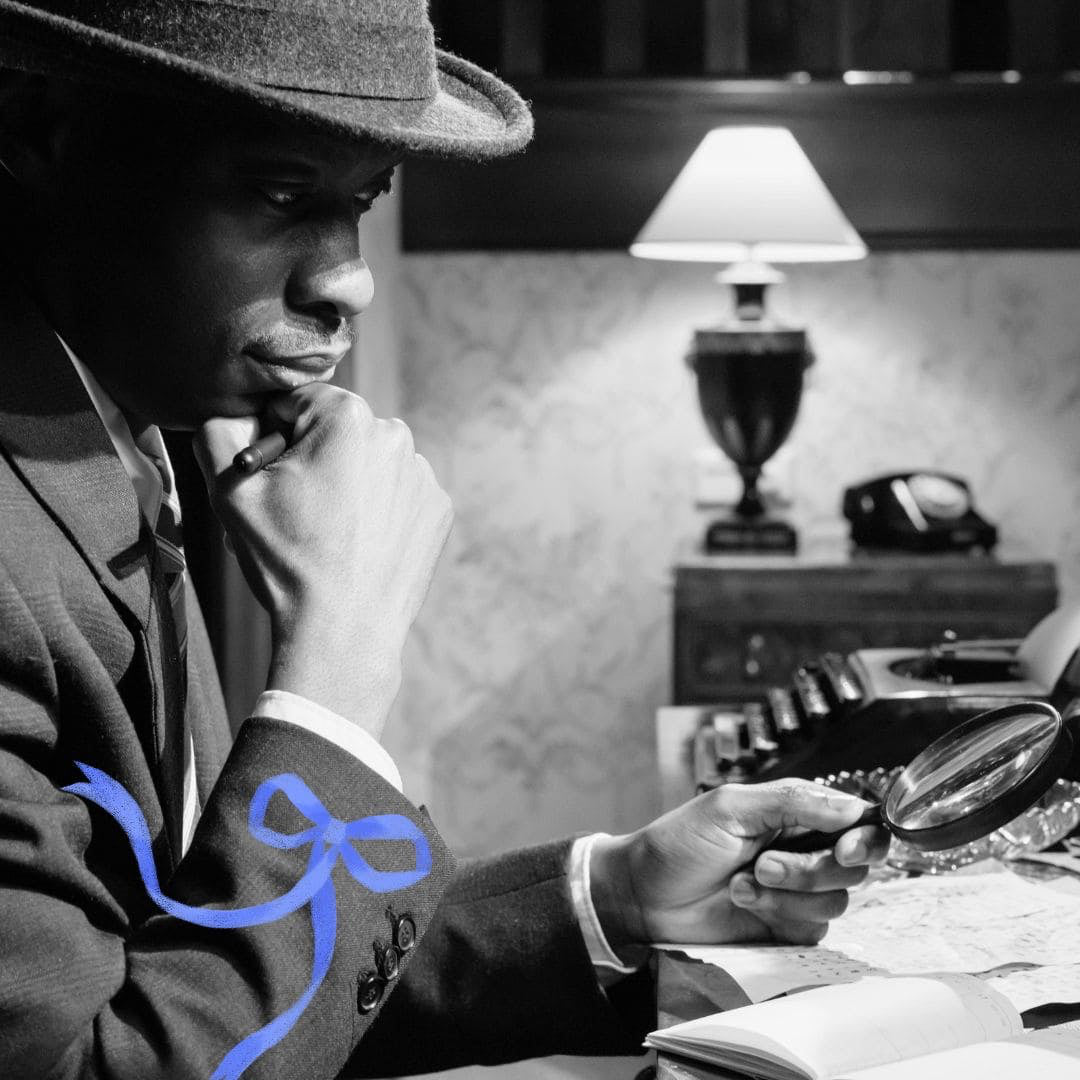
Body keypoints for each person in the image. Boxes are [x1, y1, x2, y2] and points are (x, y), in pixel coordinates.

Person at [0, 3, 888, 1078]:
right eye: (283, 195)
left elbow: (204, 975)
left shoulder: (130, 439)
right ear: (43, 132)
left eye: (362, 204)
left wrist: (608, 899)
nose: (350, 280)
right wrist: (337, 665)